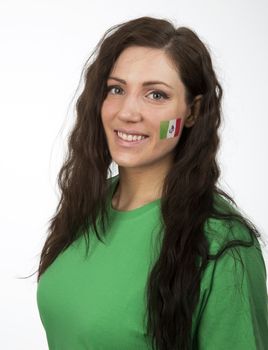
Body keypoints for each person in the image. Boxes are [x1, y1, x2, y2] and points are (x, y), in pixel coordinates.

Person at [36, 16, 268, 350]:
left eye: (156, 95)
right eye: (116, 89)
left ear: (191, 112)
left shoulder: (223, 245)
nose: (128, 112)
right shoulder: (88, 205)